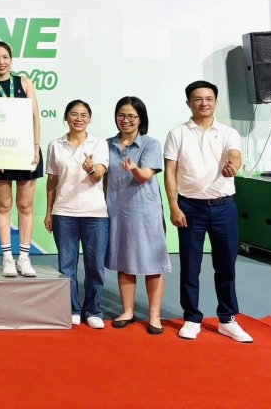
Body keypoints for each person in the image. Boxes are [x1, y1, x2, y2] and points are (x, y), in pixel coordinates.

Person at [164, 80, 253, 343]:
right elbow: (170, 172)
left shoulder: (227, 132)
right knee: (190, 266)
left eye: (209, 98)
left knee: (226, 265)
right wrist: (174, 206)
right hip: (190, 207)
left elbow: (235, 155)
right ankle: (192, 318)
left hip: (224, 207)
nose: (204, 103)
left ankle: (227, 319)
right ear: (189, 103)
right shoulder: (177, 134)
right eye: (198, 99)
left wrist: (233, 165)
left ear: (215, 102)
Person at [105, 97, 171, 335]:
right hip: (117, 208)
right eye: (121, 115)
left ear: (140, 119)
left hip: (145, 210)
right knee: (124, 259)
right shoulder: (107, 144)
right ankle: (128, 311)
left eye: (131, 116)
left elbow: (145, 176)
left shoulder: (150, 144)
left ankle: (154, 315)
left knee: (152, 262)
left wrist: (134, 168)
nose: (126, 120)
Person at [44, 100, 109, 329]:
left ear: (89, 119)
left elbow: (98, 175)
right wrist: (49, 211)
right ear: (66, 117)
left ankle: (93, 310)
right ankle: (72, 309)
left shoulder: (99, 144)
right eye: (74, 114)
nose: (78, 119)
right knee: (66, 266)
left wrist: (91, 169)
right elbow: (52, 181)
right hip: (63, 213)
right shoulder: (55, 145)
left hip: (95, 214)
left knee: (95, 266)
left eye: (83, 115)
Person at [0, 41, 42, 277]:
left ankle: (24, 258)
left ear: (11, 59)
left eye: (5, 57)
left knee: (26, 206)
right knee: (4, 206)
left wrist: (36, 147)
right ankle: (7, 258)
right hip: (0, 153)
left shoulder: (24, 82)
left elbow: (35, 117)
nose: (1, 62)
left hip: (26, 149)